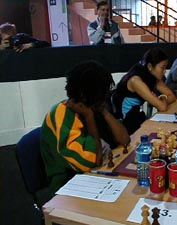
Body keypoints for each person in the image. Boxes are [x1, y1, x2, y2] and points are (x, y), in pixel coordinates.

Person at [40, 60, 130, 197]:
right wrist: (89, 117)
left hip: (99, 174)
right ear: (85, 95)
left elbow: (124, 139)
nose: (105, 97)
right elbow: (92, 161)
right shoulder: (62, 115)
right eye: (103, 94)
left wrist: (105, 112)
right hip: (69, 186)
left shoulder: (95, 107)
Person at [114, 48, 176, 135]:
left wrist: (162, 98)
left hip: (137, 117)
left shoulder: (151, 75)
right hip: (127, 125)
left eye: (166, 67)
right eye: (162, 67)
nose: (165, 71)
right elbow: (162, 107)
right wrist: (162, 100)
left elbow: (171, 96)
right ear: (150, 66)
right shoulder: (135, 80)